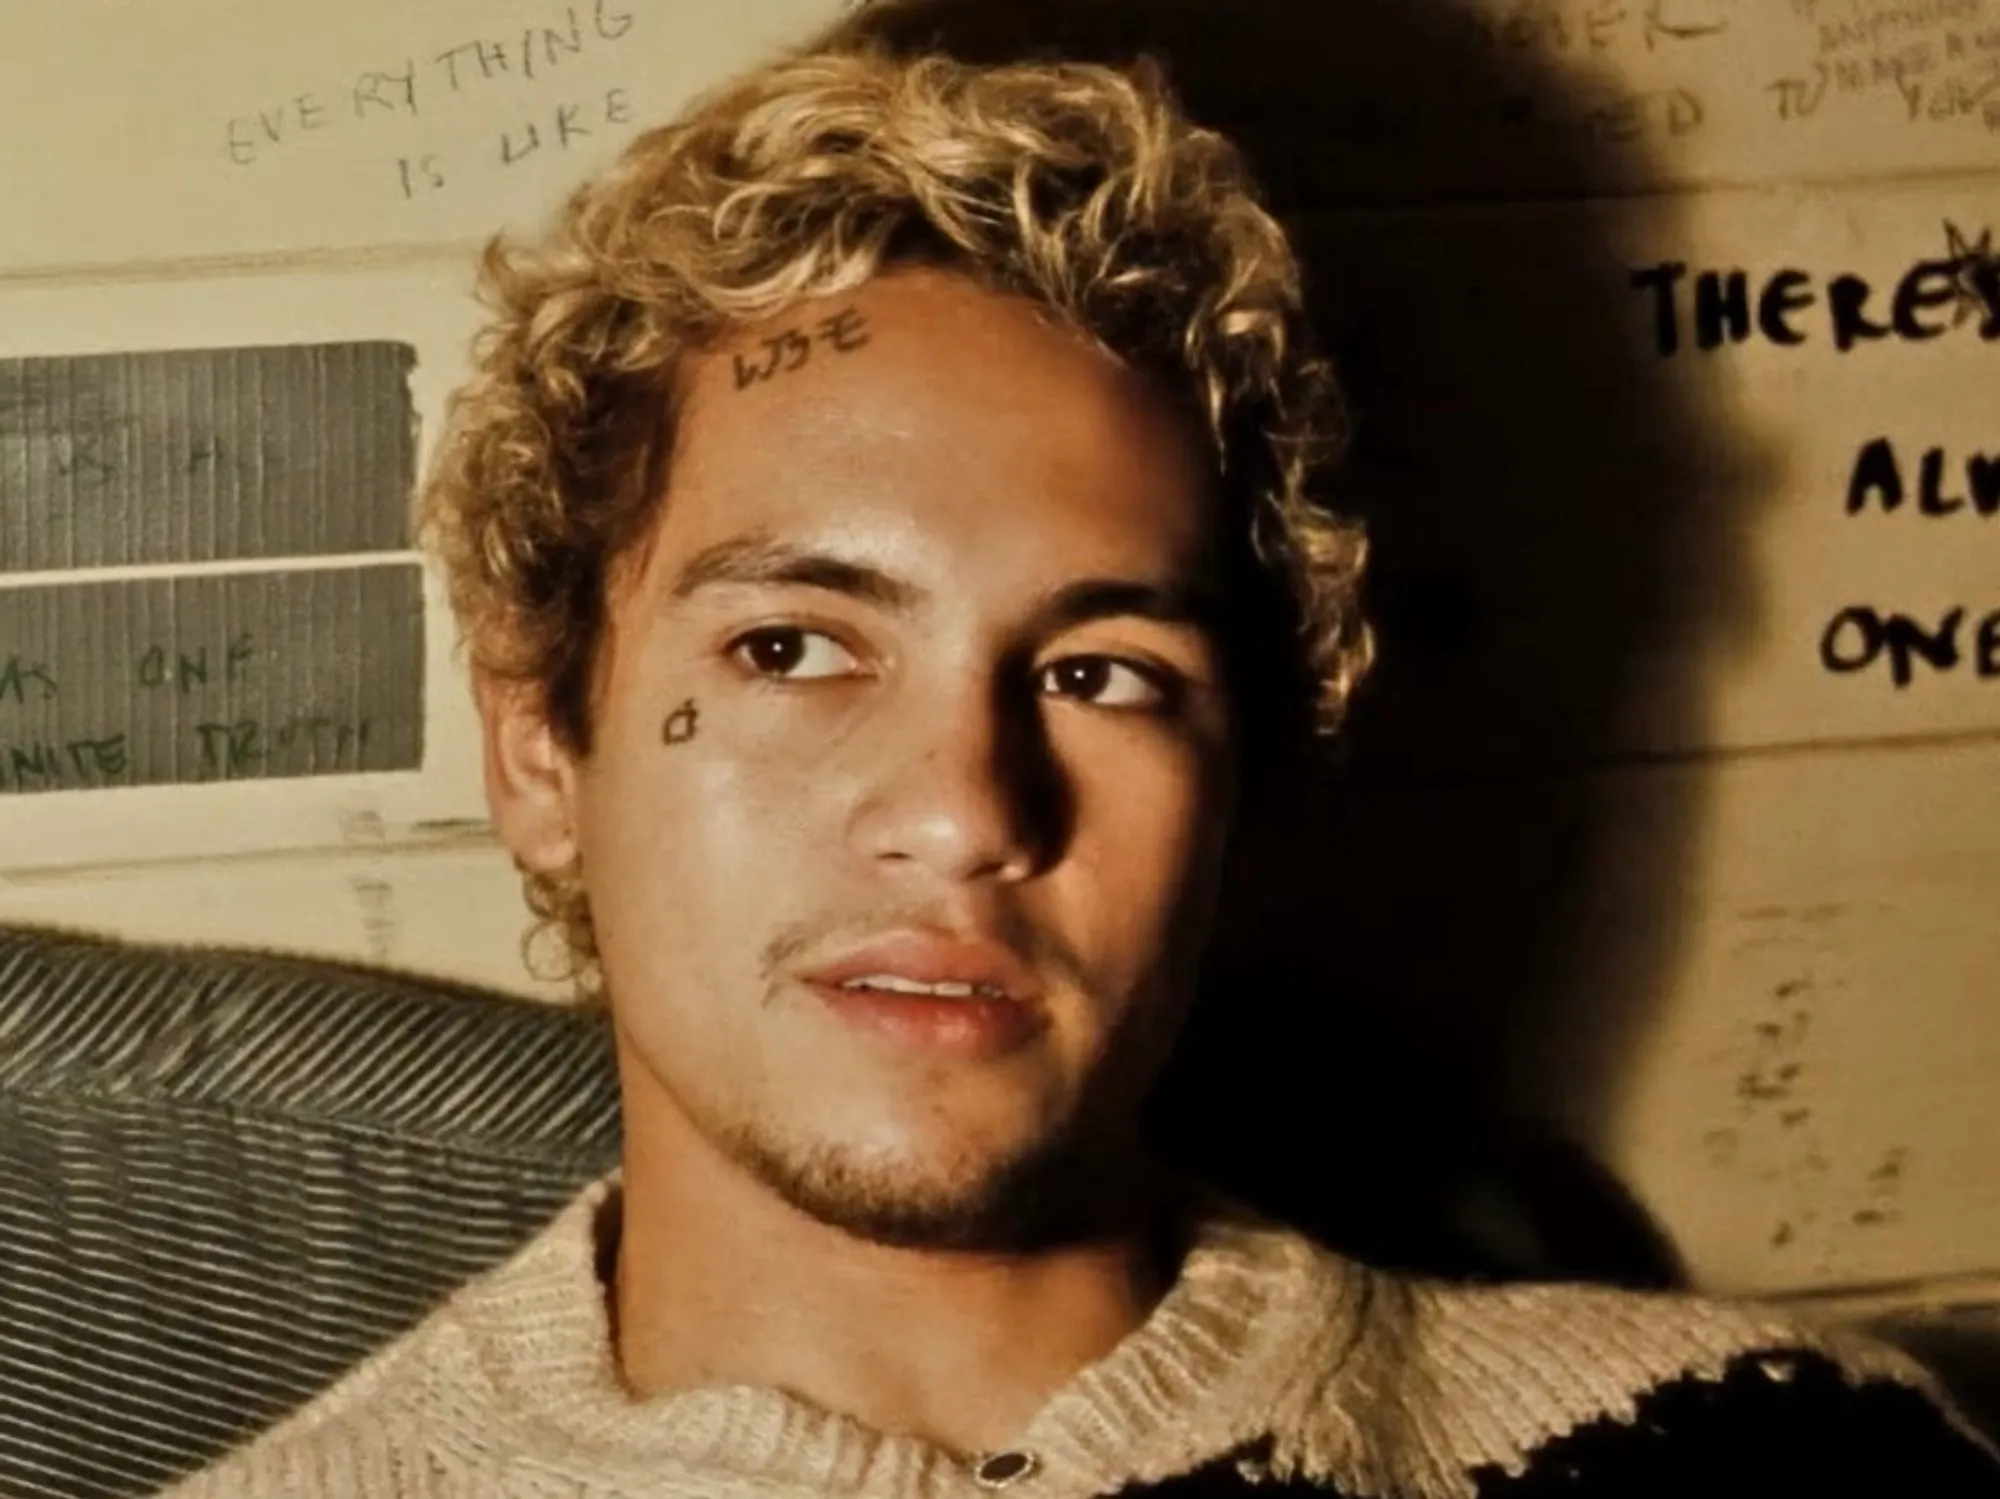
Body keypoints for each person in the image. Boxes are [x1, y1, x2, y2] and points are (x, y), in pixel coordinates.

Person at [161, 9, 2000, 1497]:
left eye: (1104, 673)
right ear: (542, 746)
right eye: (793, 648)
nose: (965, 812)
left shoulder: (1769, 1445)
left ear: (1247, 781)